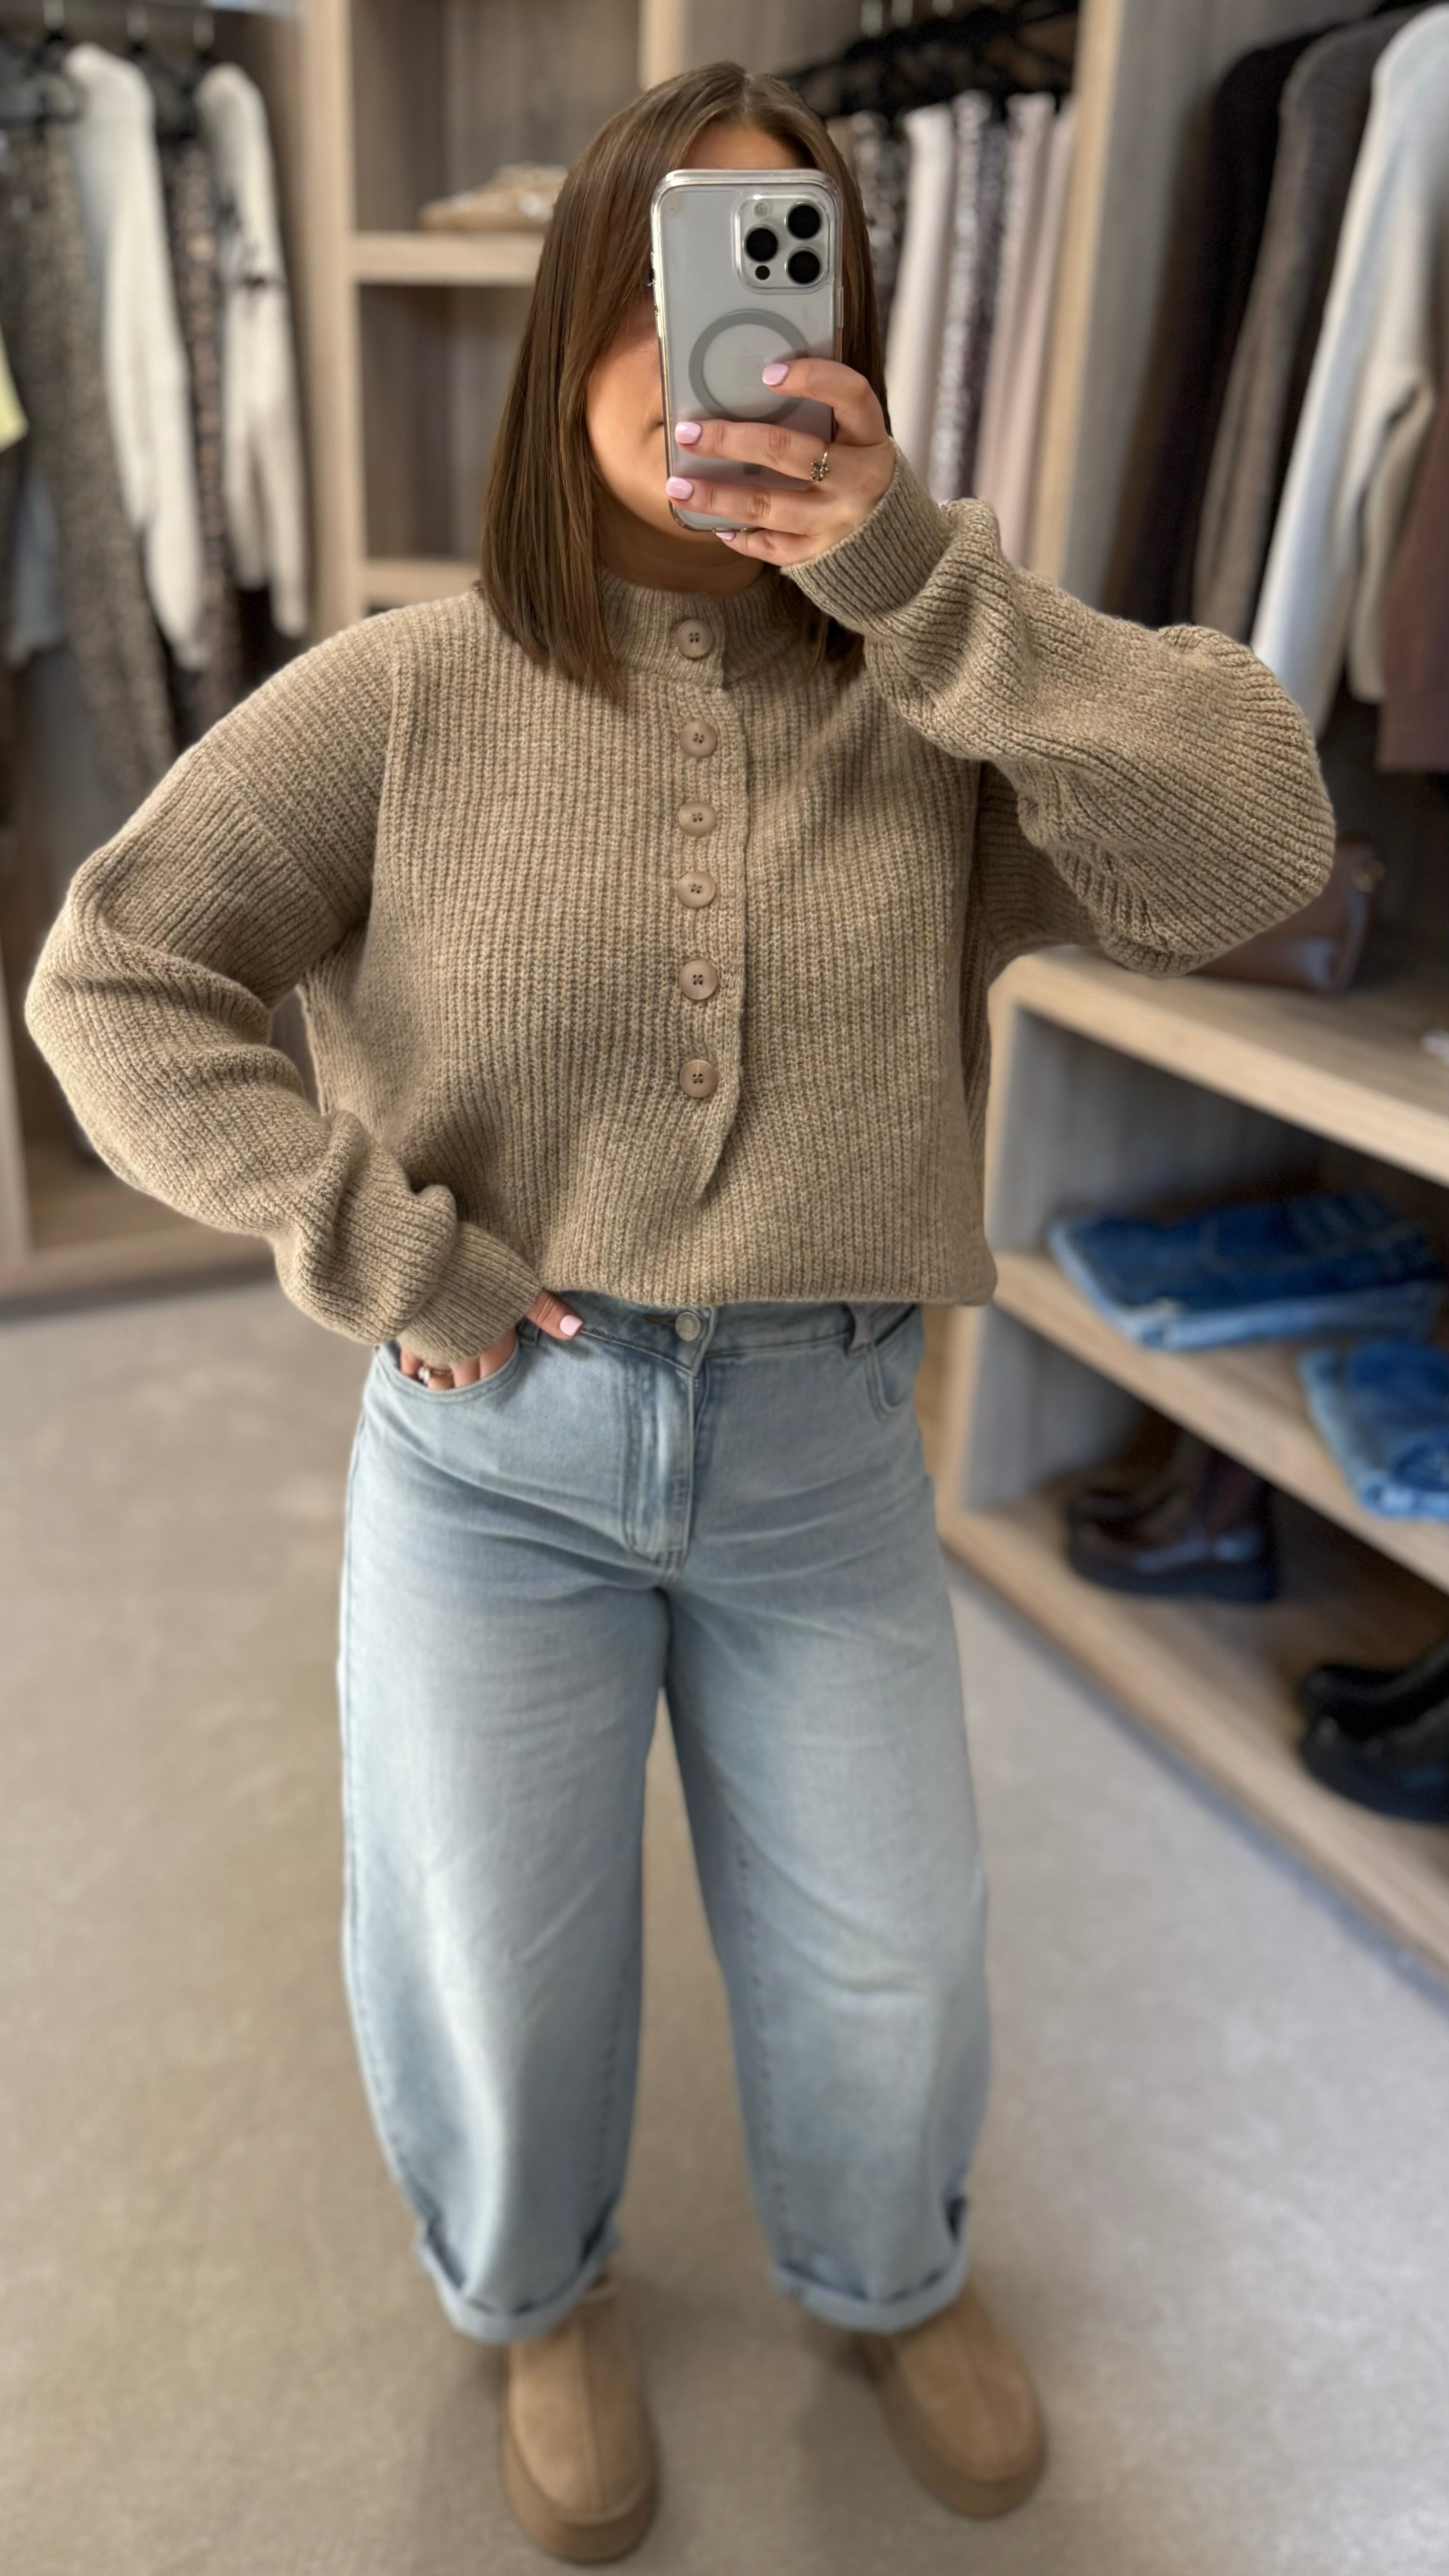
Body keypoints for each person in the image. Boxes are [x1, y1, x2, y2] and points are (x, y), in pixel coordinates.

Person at [23, 59, 1338, 2569]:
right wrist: (373, 1243)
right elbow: (114, 974)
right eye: (658, 274)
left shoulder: (936, 696)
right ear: (569, 331)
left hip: (827, 1451)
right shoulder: (408, 693)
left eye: (773, 271)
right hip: (488, 1453)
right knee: (494, 1963)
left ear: (840, 332)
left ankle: (889, 2271)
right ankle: (536, 2292)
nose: (707, 341)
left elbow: (1253, 842)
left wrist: (924, 582)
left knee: (890, 1961)